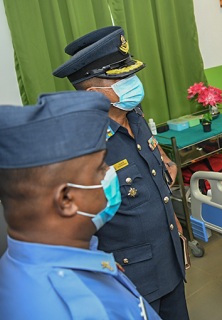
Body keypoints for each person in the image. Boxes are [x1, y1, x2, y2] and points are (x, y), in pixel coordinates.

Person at [53, 26, 189, 319]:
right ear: (95, 94)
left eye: (131, 75)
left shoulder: (134, 115)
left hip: (169, 259)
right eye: (123, 79)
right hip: (131, 281)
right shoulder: (80, 147)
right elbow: (67, 228)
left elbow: (155, 163)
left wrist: (165, 171)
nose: (134, 83)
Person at [0, 91, 160, 319]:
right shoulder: (79, 309)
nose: (110, 173)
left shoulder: (27, 266)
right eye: (100, 168)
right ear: (66, 200)